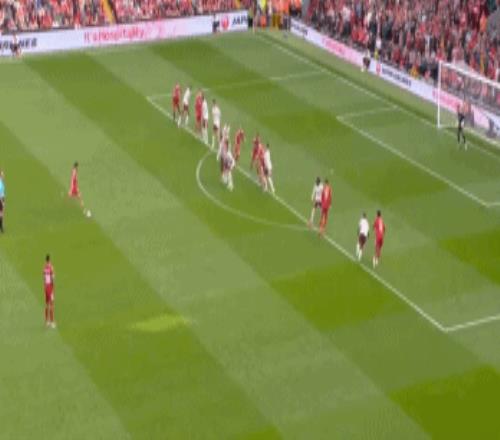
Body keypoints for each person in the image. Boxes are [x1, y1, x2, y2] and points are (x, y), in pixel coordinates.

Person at [43, 254, 56, 328]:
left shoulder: (44, 267)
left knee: (47, 304)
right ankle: (52, 322)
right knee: (51, 305)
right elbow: (53, 278)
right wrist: (53, 286)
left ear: (46, 260)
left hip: (45, 287)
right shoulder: (51, 267)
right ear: (50, 259)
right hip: (50, 288)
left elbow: (44, 278)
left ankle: (46, 321)